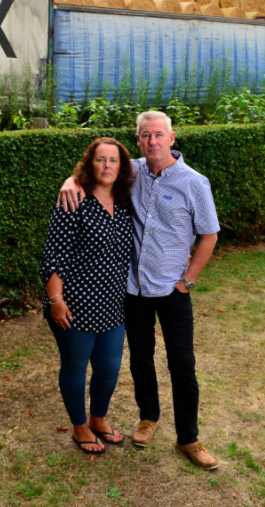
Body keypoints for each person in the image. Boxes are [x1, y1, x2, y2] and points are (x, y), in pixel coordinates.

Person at [58, 111, 220, 470]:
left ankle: (188, 438)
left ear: (172, 138)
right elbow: (99, 169)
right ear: (139, 141)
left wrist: (188, 280)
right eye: (146, 136)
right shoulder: (134, 172)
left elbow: (209, 234)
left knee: (183, 365)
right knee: (140, 359)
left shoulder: (194, 183)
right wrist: (70, 180)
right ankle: (148, 418)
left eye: (159, 135)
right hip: (133, 290)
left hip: (173, 290)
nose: (153, 142)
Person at [39, 137, 136, 454]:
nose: (107, 166)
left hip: (112, 305)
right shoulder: (73, 200)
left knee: (109, 368)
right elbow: (54, 257)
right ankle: (80, 426)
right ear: (88, 164)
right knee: (76, 367)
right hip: (74, 305)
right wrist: (56, 301)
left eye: (113, 160)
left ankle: (98, 419)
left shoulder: (125, 202)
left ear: (121, 167)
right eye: (100, 159)